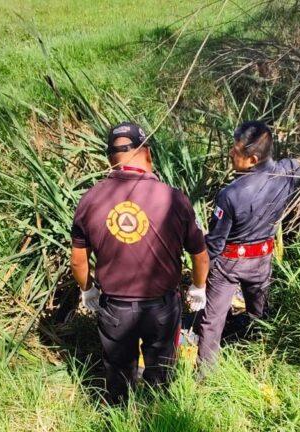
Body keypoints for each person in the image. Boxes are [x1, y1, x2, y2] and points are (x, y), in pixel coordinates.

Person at [194, 78, 300, 365]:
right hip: (262, 260)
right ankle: (261, 360)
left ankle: (204, 376)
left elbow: (215, 244)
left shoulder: (230, 195)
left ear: (252, 158)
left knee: (212, 323)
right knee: (260, 316)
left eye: (235, 151)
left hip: (229, 265)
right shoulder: (287, 173)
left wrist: (198, 283)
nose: (230, 154)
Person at [70, 122, 210, 404]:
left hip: (115, 308)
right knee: (161, 371)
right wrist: (198, 286)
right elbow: (200, 254)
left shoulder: (90, 199)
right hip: (161, 307)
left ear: (111, 158)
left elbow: (77, 260)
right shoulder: (173, 198)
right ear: (146, 153)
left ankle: (120, 413)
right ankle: (157, 414)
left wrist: (87, 291)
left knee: (118, 373)